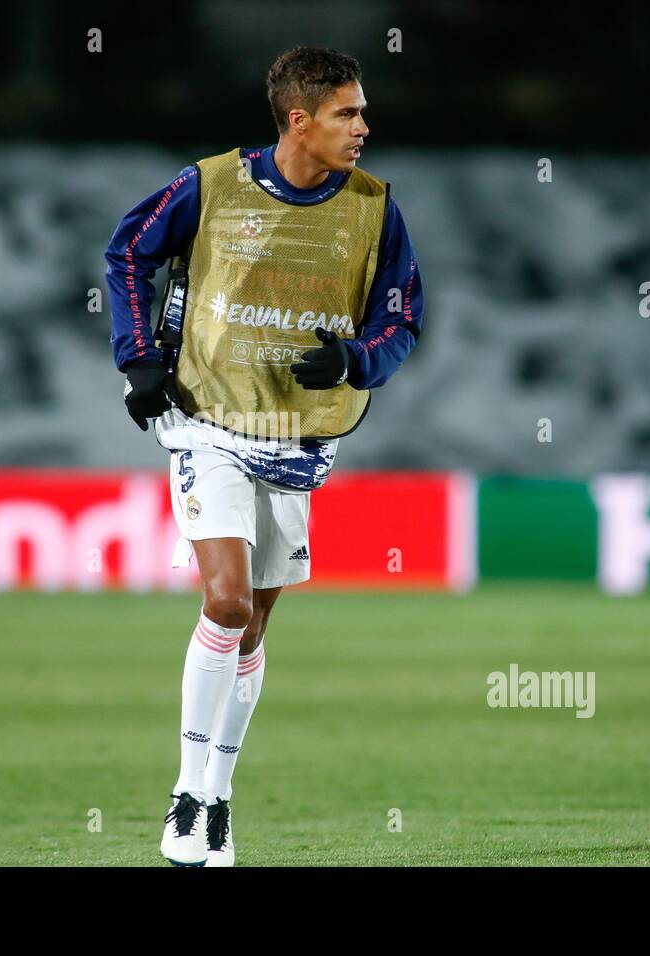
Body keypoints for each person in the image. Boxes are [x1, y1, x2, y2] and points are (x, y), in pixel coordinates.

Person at [104, 45, 424, 866]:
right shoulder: (210, 185)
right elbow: (127, 251)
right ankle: (187, 793)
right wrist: (138, 358)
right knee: (228, 603)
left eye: (361, 111)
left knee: (254, 635)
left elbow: (401, 321)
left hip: (299, 438)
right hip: (208, 423)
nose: (364, 127)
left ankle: (220, 797)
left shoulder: (376, 209)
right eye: (348, 112)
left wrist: (355, 361)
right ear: (300, 120)